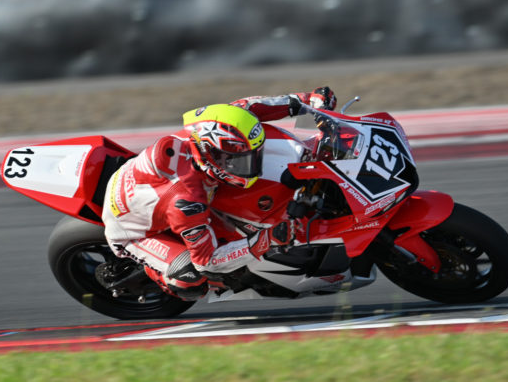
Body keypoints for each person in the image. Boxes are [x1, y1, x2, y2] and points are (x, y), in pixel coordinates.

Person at [101, 87, 337, 300]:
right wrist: (266, 240)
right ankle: (159, 275)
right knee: (190, 277)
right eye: (240, 161)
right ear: (209, 154)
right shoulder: (187, 201)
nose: (252, 166)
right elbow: (208, 261)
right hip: (132, 229)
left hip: (149, 188)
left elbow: (248, 107)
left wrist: (307, 101)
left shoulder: (214, 127)